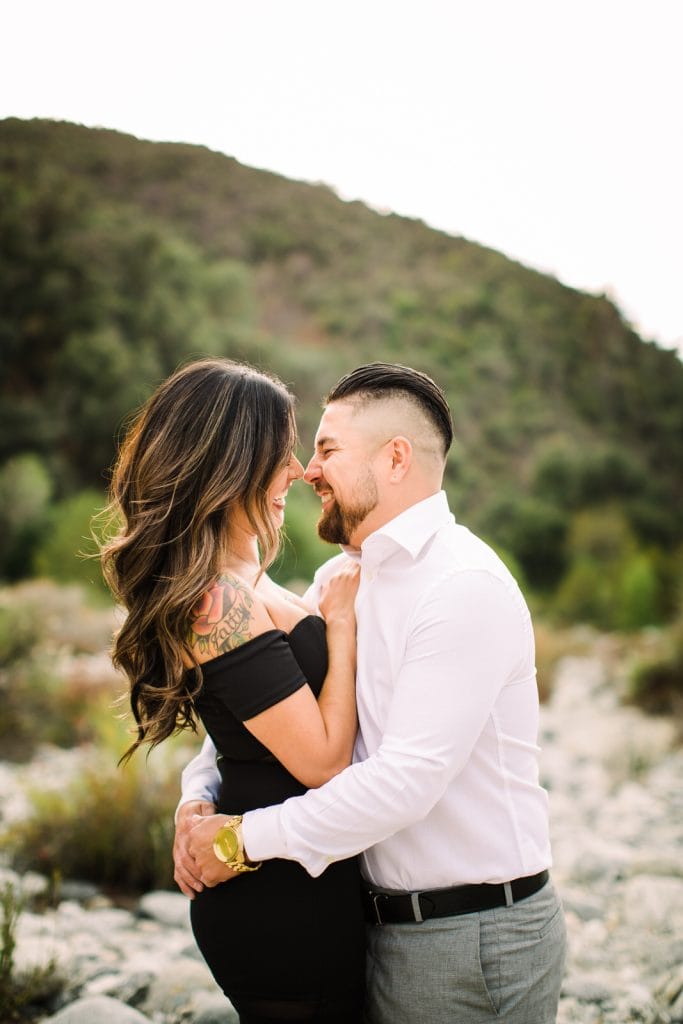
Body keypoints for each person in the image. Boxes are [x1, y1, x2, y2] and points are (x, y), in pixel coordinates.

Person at [175, 361, 568, 1024]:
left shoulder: (460, 585)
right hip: (374, 924)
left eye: (326, 449)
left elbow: (404, 782)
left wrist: (239, 841)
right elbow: (267, 707)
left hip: (469, 936)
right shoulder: (337, 579)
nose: (308, 470)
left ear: (394, 459)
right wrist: (196, 797)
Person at [100, 358, 367, 1024]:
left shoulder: (244, 582)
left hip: (298, 876)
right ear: (229, 463)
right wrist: (339, 625)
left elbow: (245, 737)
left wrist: (195, 798)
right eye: (279, 455)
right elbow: (321, 760)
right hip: (276, 906)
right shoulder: (218, 603)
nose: (298, 472)